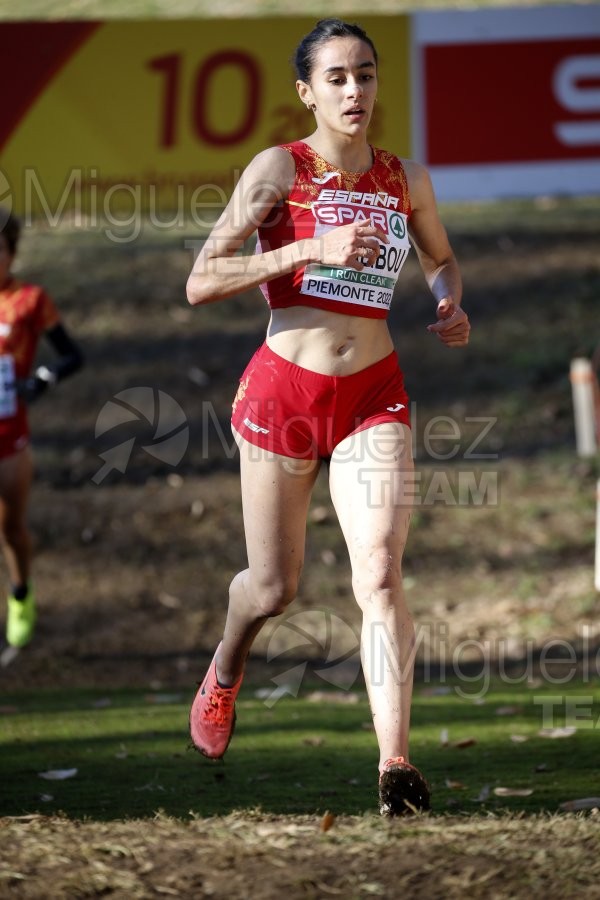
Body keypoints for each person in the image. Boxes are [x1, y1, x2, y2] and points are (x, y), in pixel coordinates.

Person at [186, 18, 470, 816]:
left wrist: (449, 301)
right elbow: (201, 280)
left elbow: (441, 259)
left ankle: (395, 766)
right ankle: (227, 666)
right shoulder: (281, 167)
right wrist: (303, 250)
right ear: (307, 91)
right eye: (338, 78)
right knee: (273, 587)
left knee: (378, 572)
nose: (356, 91)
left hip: (373, 393)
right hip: (284, 394)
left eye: (367, 75)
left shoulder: (404, 178)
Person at [0, 209, 84, 649]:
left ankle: (20, 593)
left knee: (10, 527)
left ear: (11, 254)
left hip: (10, 434)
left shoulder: (30, 299)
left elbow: (72, 355)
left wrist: (40, 381)